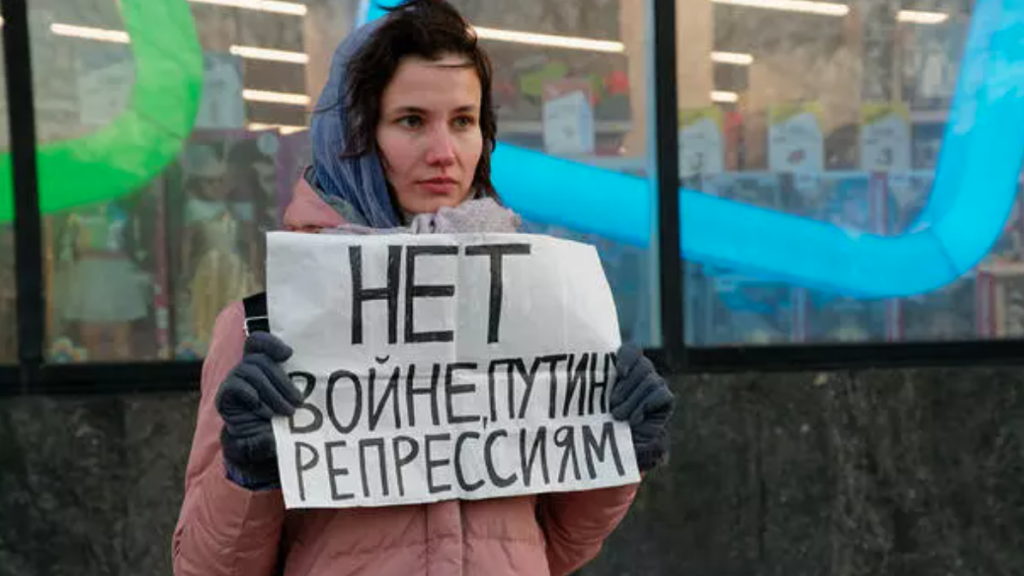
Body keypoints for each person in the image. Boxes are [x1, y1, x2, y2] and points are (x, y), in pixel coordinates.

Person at [172, 2, 674, 575]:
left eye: (463, 121)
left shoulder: (535, 304)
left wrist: (617, 455)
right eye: (411, 120)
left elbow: (553, 550)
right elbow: (202, 568)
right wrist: (247, 472)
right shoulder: (264, 327)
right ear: (353, 138)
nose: (444, 153)